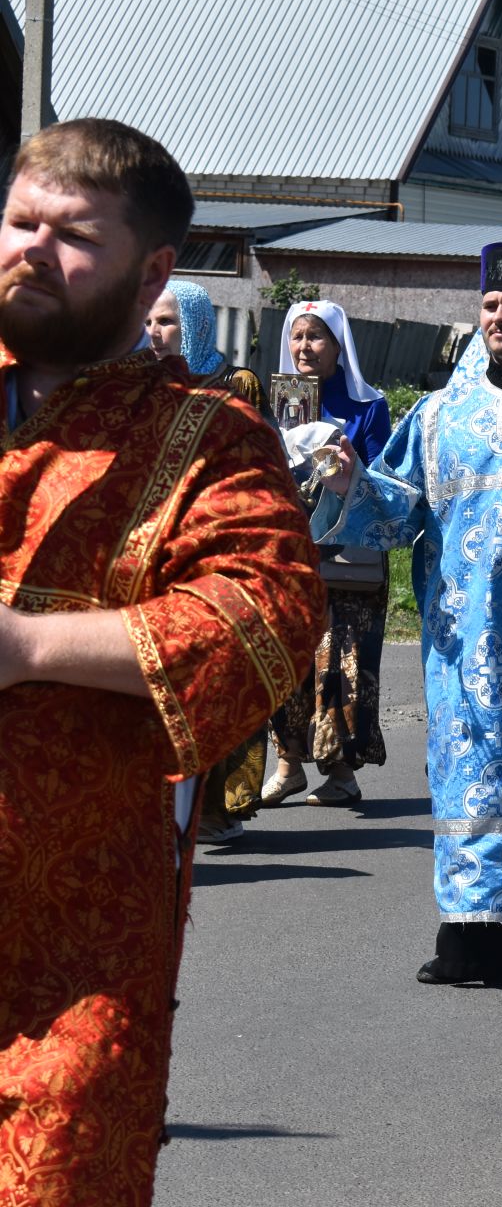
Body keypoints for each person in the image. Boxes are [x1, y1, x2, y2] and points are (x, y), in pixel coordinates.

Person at [0, 118, 325, 1204]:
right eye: (19, 221)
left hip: (71, 936)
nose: (32, 250)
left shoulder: (203, 430)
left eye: (73, 235)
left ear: (155, 272)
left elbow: (268, 607)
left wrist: (27, 644)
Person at [313, 242, 502, 983]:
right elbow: (393, 511)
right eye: (491, 307)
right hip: (459, 639)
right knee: (472, 775)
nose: (499, 319)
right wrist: (349, 483)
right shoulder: (441, 414)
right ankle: (475, 935)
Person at [148, 278, 271, 844]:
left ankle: (214, 808)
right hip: (159, 557)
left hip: (220, 552)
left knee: (218, 679)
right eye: (149, 322)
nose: (155, 333)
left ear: (194, 325)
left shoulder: (232, 385)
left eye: (167, 322)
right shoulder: (141, 387)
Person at [263, 301, 394, 808]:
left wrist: (345, 461)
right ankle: (288, 765)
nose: (304, 348)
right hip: (289, 555)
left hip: (347, 556)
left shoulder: (368, 406)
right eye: (297, 337)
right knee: (287, 655)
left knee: (341, 661)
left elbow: (387, 479)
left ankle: (341, 772)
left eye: (316, 337)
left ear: (340, 345)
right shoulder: (277, 404)